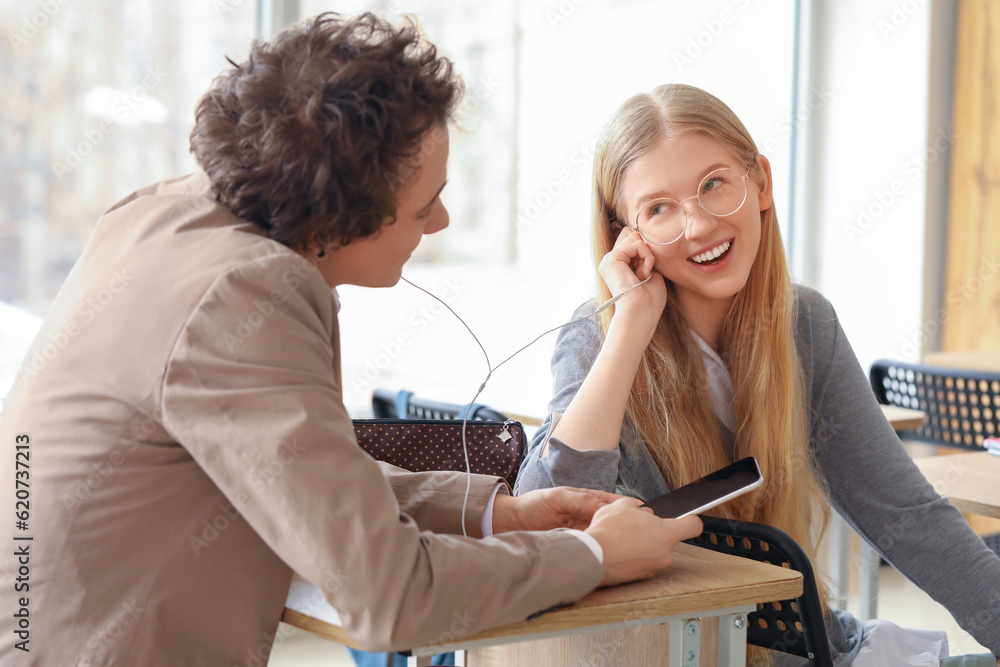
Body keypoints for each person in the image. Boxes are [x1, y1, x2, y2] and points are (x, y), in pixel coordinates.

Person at [0, 14, 704, 667]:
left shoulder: (166, 213)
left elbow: (301, 474)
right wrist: (591, 556)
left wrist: (496, 512)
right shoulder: (250, 294)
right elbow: (391, 598)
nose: (442, 221)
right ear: (337, 222)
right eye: (423, 207)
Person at [514, 83, 1000, 667]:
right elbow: (550, 514)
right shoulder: (597, 338)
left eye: (714, 184)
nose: (696, 225)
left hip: (803, 649)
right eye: (658, 208)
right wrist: (631, 323)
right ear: (626, 235)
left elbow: (905, 514)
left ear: (761, 182)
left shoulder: (805, 324)